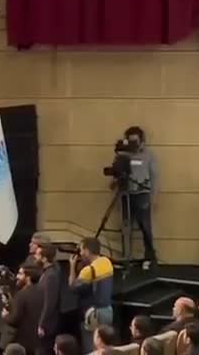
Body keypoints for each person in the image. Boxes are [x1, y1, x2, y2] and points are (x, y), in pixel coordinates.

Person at [119, 126, 158, 268]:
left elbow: (154, 176)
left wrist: (154, 196)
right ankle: (126, 257)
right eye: (130, 141)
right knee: (125, 227)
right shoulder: (124, 155)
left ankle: (150, 257)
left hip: (142, 195)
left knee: (145, 227)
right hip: (126, 194)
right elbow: (118, 171)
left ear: (142, 141)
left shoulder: (149, 155)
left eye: (135, 141)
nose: (133, 145)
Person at [69, 237, 113, 352]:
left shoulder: (88, 270)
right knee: (105, 347)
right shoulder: (107, 262)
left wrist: (72, 266)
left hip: (93, 315)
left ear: (87, 251)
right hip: (108, 310)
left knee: (91, 347)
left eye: (81, 250)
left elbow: (73, 287)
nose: (80, 253)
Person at [1, 264, 44, 354]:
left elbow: (14, 320)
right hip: (37, 341)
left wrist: (5, 316)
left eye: (20, 274)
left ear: (28, 277)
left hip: (22, 342)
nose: (17, 276)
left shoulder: (22, 295)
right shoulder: (43, 290)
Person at [36, 244, 62, 355]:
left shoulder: (51, 276)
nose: (35, 257)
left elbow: (49, 303)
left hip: (48, 325)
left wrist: (41, 324)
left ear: (44, 258)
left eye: (37, 255)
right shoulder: (48, 272)